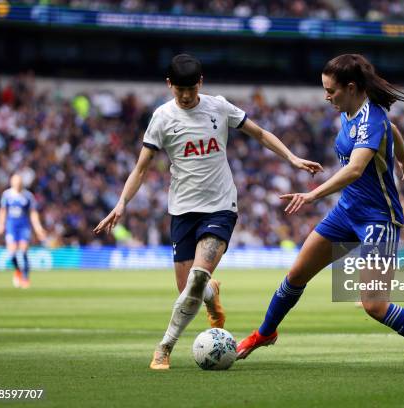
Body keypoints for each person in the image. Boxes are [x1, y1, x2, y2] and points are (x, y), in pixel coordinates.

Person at [236, 54, 404, 374]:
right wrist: (402, 155)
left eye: (330, 90)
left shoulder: (370, 119)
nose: (326, 96)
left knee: (374, 304)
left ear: (351, 87)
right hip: (346, 212)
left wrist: (312, 195)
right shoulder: (350, 112)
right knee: (296, 274)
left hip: (378, 220)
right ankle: (265, 333)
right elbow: (394, 127)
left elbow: (356, 168)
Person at [92, 54, 323, 370]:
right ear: (169, 85)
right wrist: (121, 203)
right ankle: (211, 294)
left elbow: (259, 133)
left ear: (200, 82)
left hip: (220, 207)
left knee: (196, 279)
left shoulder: (219, 107)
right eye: (179, 89)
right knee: (191, 287)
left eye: (191, 88)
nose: (186, 96)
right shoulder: (162, 118)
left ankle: (164, 348)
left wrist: (291, 158)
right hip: (183, 212)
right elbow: (141, 168)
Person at [0, 173, 47, 289]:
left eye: (19, 183)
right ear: (12, 182)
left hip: (24, 226)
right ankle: (18, 270)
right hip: (11, 226)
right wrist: (0, 224)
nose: (17, 184)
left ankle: (25, 277)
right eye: (15, 182)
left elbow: (33, 213)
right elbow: (3, 211)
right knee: (12, 253)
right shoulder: (7, 195)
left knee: (24, 250)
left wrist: (38, 228)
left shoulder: (28, 196)